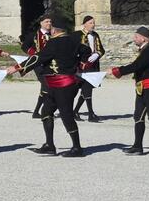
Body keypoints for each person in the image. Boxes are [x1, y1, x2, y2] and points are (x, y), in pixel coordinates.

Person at [8, 16, 91, 158]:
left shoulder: (53, 43)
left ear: (54, 30)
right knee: (46, 111)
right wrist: (81, 64)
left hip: (63, 84)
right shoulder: (74, 41)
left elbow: (38, 58)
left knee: (66, 115)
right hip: (60, 84)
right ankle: (49, 145)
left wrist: (17, 67)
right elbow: (87, 51)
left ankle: (77, 147)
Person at [110, 27, 149, 155]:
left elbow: (137, 65)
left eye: (136, 37)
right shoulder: (145, 49)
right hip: (143, 87)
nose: (134, 39)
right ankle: (137, 146)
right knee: (138, 116)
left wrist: (117, 71)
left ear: (144, 38)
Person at [72, 16, 105, 122]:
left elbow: (101, 49)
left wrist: (97, 54)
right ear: (84, 24)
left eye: (93, 23)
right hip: (81, 66)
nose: (93, 25)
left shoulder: (95, 35)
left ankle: (76, 111)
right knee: (86, 88)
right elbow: (72, 50)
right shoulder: (77, 35)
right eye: (90, 23)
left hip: (93, 66)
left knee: (87, 88)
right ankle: (90, 113)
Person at [22, 15, 52, 119]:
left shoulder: (53, 35)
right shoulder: (33, 35)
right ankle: (44, 111)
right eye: (47, 22)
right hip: (38, 64)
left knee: (46, 87)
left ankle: (36, 112)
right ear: (41, 23)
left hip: (50, 65)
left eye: (50, 22)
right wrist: (34, 53)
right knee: (46, 85)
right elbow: (24, 46)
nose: (49, 23)